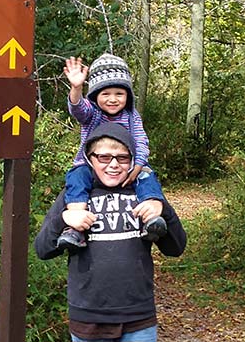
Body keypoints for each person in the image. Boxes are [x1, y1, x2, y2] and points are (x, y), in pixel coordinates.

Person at [35, 122, 187, 342]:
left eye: (122, 158)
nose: (114, 165)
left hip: (139, 318)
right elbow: (42, 250)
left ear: (132, 160)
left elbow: (176, 248)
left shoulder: (145, 193)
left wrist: (163, 209)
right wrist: (63, 219)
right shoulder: (75, 197)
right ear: (90, 159)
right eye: (104, 158)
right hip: (88, 318)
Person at [58, 54, 167, 249]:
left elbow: (141, 141)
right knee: (76, 178)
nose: (113, 99)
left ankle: (151, 218)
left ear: (128, 96)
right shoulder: (92, 113)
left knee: (148, 176)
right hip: (91, 164)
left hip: (128, 164)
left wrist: (138, 164)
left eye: (119, 93)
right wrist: (76, 88)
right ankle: (75, 227)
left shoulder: (131, 116)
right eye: (106, 94)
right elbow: (78, 109)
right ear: (95, 95)